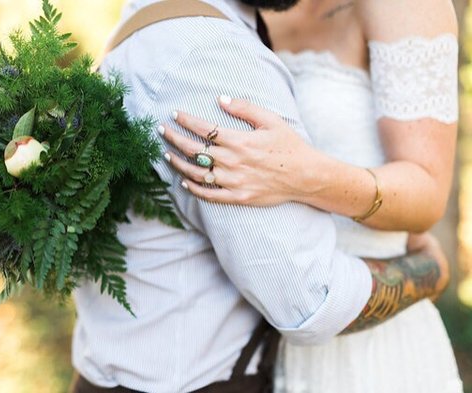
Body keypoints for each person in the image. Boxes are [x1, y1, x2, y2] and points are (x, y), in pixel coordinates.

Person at [71, 1, 452, 392]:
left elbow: (427, 186)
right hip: (294, 325)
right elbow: (309, 301)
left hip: (368, 352)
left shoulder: (205, 19)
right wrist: (428, 271)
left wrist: (310, 176)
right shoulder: (209, 47)